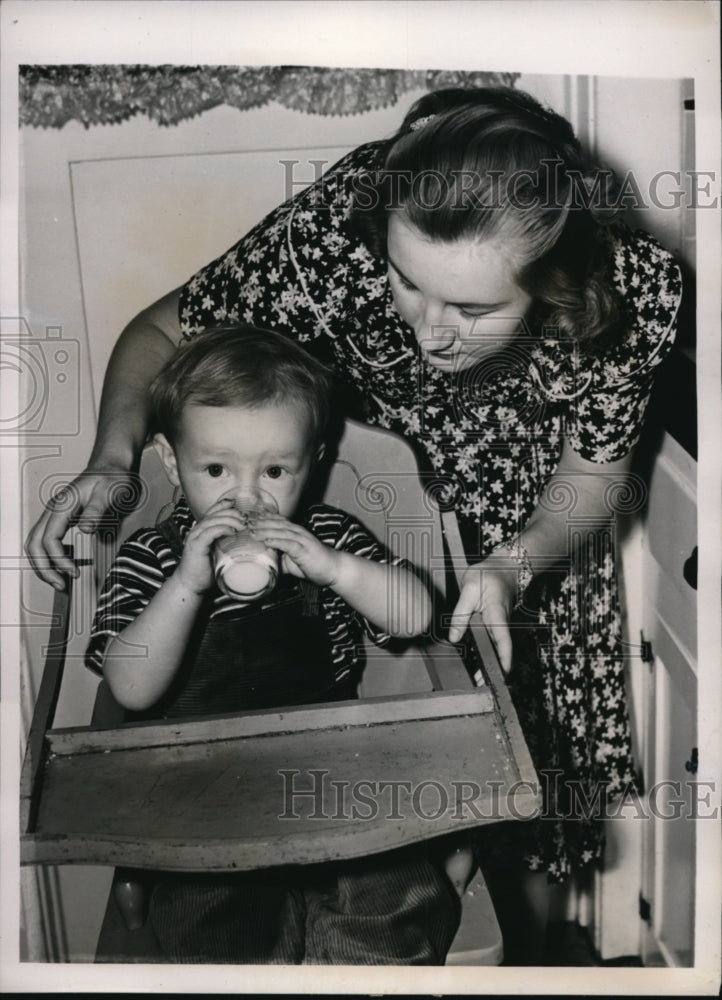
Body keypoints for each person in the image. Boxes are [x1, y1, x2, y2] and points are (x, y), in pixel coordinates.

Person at [27, 86, 682, 964]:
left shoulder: (631, 290)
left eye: (472, 310)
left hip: (530, 510)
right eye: (408, 284)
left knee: (498, 769)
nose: (430, 332)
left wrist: (507, 567)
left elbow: (595, 472)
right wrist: (112, 459)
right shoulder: (337, 232)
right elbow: (159, 334)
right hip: (381, 501)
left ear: (559, 283)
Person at [84, 324, 463, 965]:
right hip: (202, 789)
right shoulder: (153, 557)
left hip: (336, 770)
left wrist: (338, 570)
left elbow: (417, 615)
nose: (249, 497)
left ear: (312, 461)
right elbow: (130, 687)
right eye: (215, 469)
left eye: (277, 470)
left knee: (391, 897)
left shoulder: (323, 538)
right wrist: (186, 585)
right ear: (172, 463)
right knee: (224, 936)